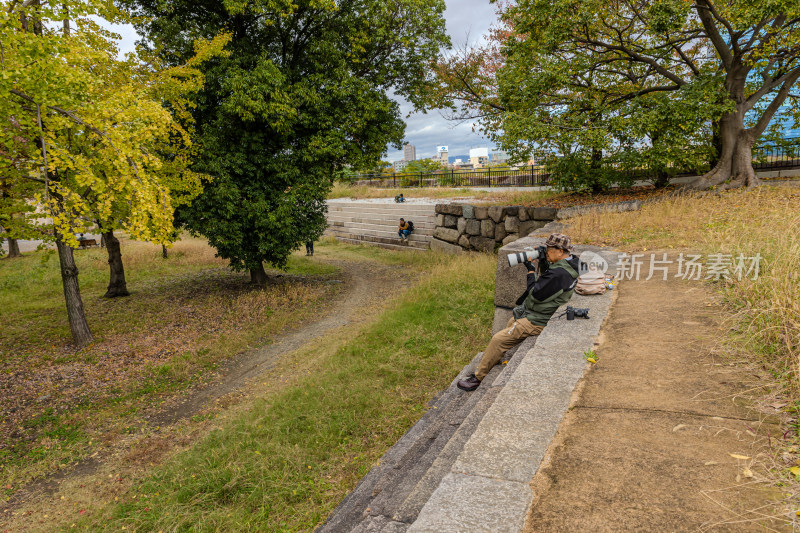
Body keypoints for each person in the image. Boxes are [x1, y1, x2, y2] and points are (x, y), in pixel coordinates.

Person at [457, 233, 580, 392]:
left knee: (498, 339)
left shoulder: (559, 273)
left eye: (549, 249)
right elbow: (548, 281)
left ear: (560, 251)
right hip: (541, 312)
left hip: (538, 319)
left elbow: (534, 293)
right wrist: (544, 260)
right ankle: (494, 358)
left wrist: (530, 271)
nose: (547, 252)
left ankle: (478, 378)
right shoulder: (571, 263)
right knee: (511, 321)